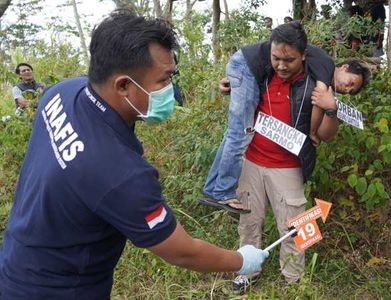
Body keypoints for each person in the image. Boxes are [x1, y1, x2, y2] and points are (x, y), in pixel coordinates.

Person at [0, 11, 268, 299]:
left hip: (14, 260)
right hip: (59, 289)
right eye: (164, 81)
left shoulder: (61, 93)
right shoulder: (121, 174)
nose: (171, 90)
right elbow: (181, 251)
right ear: (123, 85)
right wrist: (241, 260)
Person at [228, 22, 368, 293]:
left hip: (289, 166)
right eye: (277, 58)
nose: (281, 65)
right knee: (248, 222)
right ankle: (247, 272)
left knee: (296, 228)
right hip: (252, 160)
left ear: (303, 55)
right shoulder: (262, 72)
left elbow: (326, 136)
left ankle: (293, 280)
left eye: (288, 60)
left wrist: (331, 110)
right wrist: (232, 85)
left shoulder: (315, 83)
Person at [199, 22, 369, 214]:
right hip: (244, 70)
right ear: (344, 67)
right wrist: (312, 132)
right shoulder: (326, 66)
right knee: (240, 133)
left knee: (235, 133)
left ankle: (214, 188)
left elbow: (324, 116)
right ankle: (222, 191)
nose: (347, 89)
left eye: (351, 91)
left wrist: (331, 109)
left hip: (284, 162)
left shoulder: (309, 69)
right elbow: (319, 96)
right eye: (350, 83)